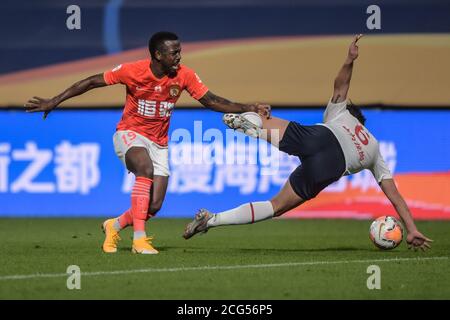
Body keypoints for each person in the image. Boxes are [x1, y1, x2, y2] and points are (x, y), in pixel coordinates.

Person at [25, 31, 271, 254]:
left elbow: (212, 100)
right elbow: (91, 81)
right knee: (145, 168)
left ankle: (115, 224)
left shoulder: (184, 76)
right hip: (129, 134)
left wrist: (249, 107)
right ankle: (139, 240)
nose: (179, 57)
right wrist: (53, 101)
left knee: (153, 205)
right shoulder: (133, 71)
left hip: (159, 143)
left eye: (180, 51)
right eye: (174, 52)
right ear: (158, 54)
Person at [183, 34, 433, 251]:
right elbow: (395, 196)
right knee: (275, 206)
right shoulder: (375, 149)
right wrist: (411, 228)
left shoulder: (341, 113)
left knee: (263, 118)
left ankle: (254, 128)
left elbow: (341, 85)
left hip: (318, 138)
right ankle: (212, 220)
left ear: (351, 112)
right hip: (330, 167)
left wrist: (349, 60)